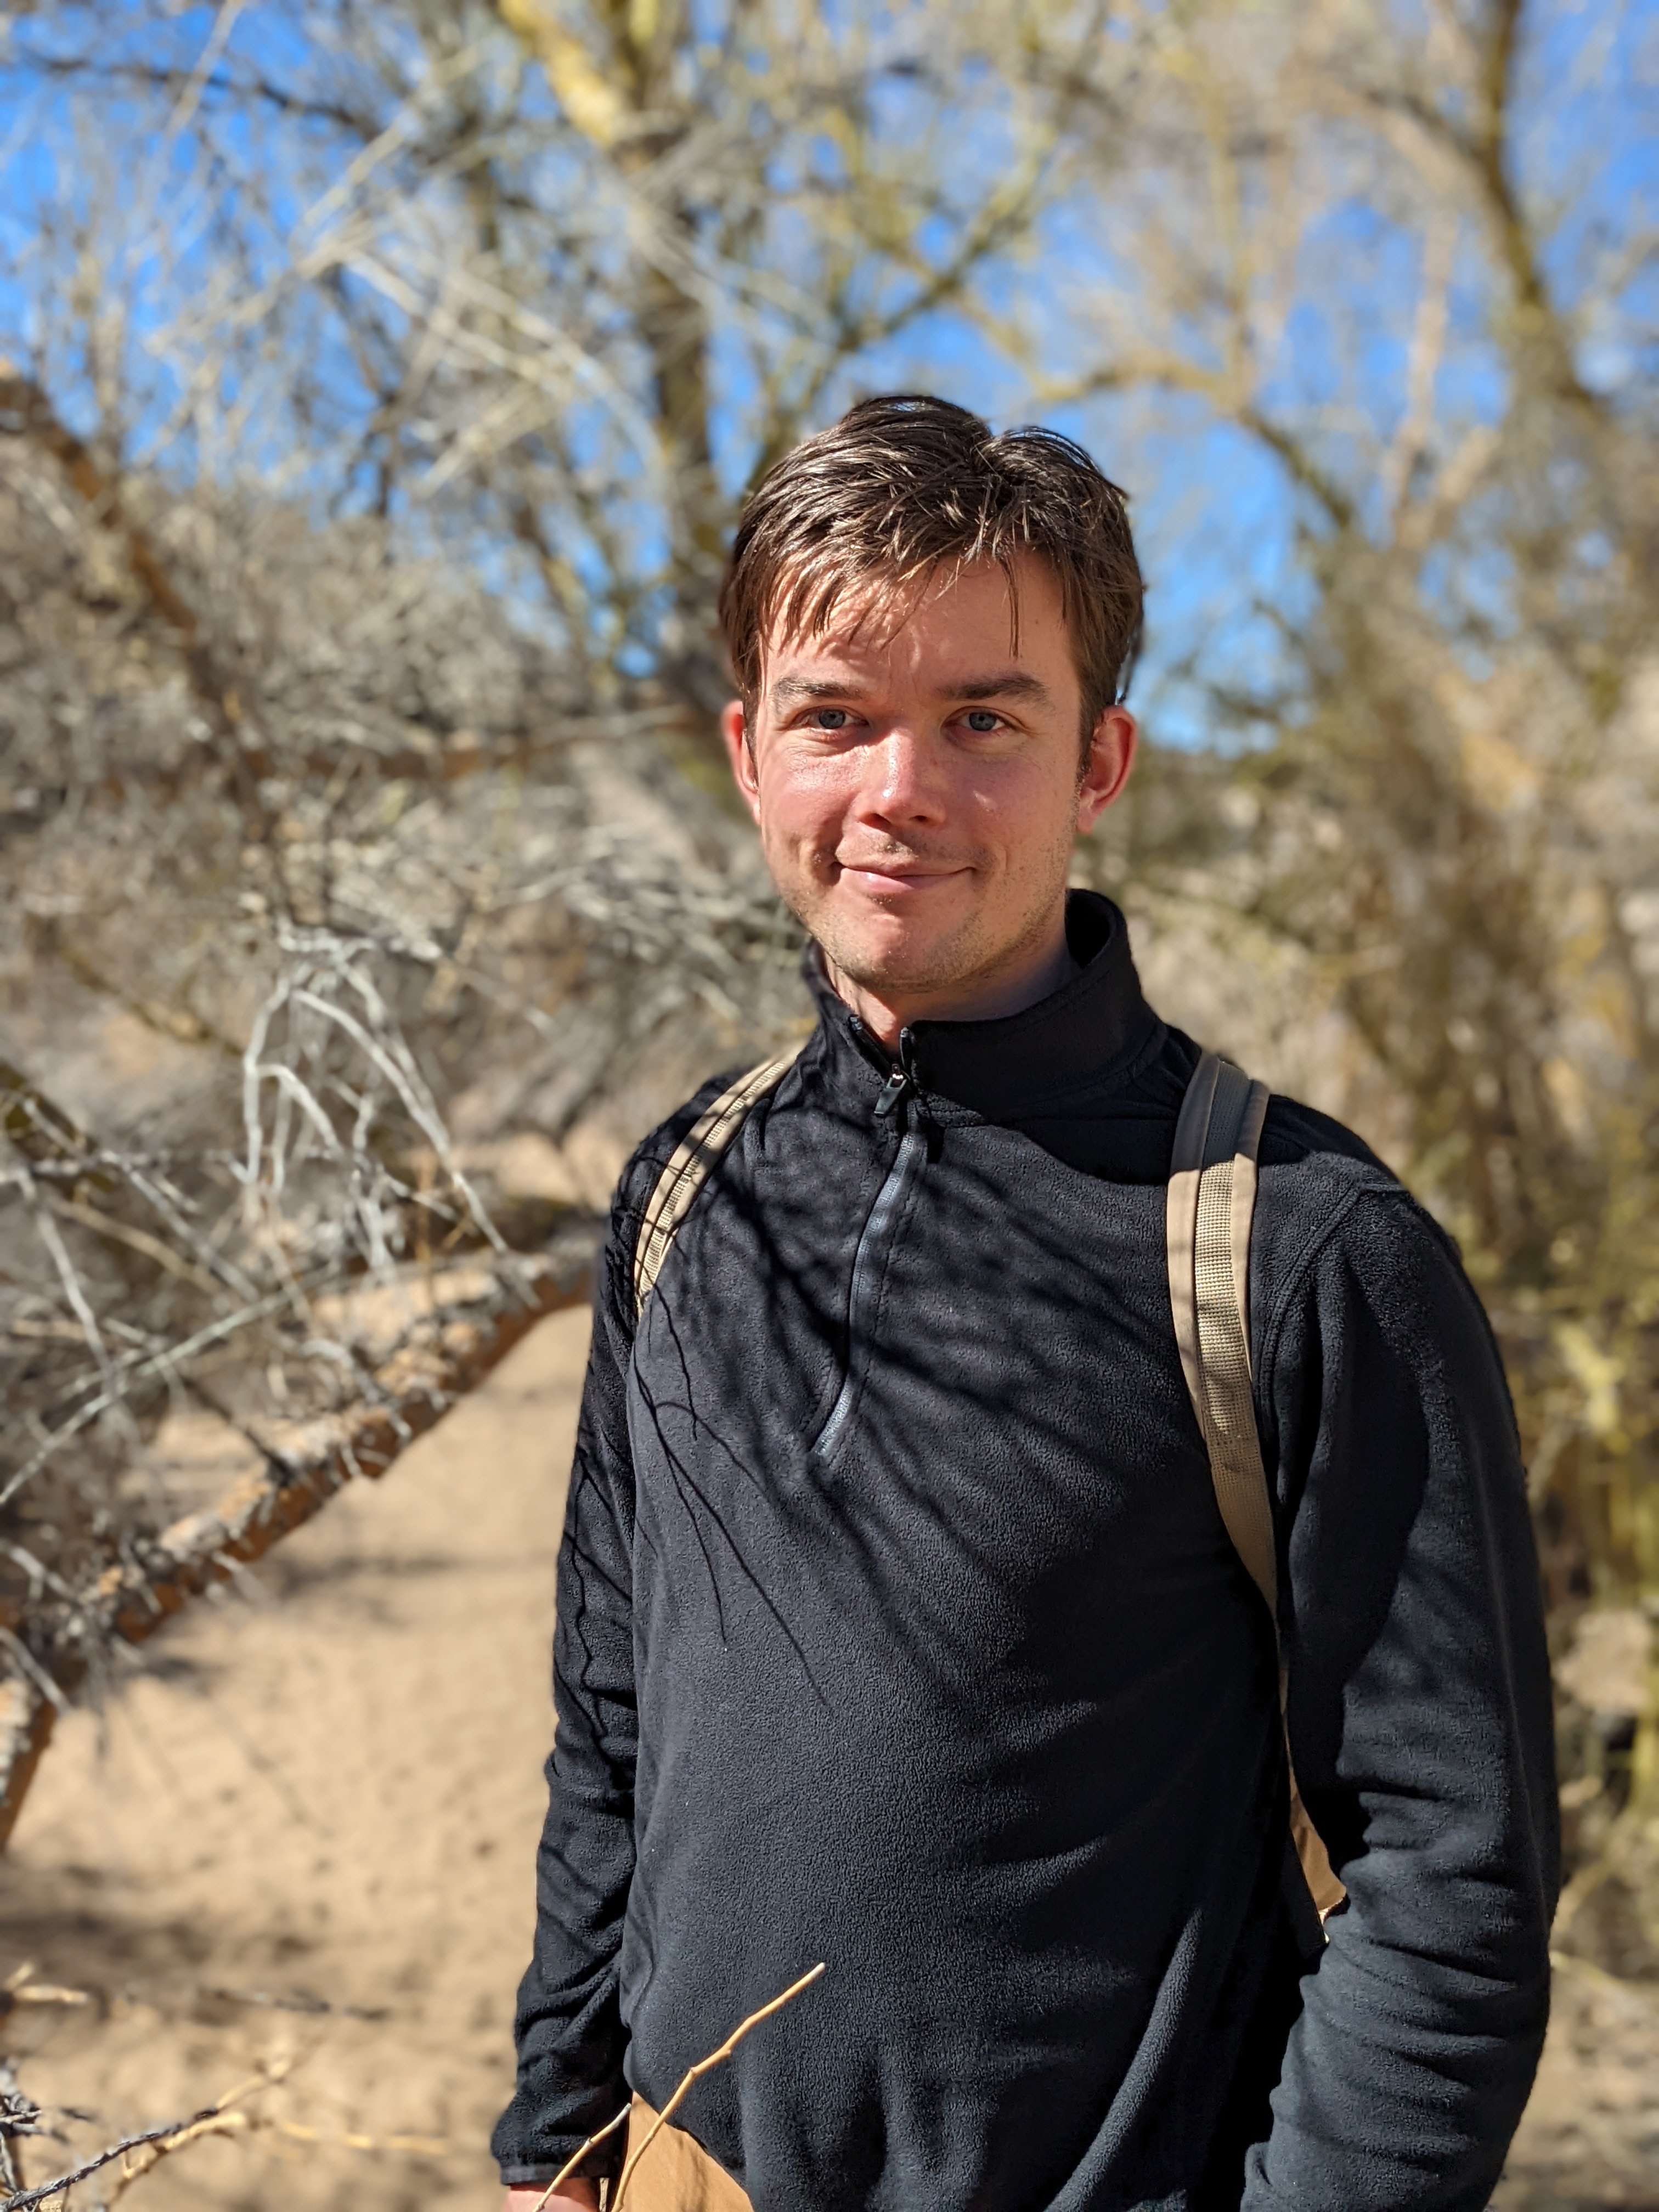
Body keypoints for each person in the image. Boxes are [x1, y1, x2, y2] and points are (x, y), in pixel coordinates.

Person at [493, 396, 1558, 2211]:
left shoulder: (1292, 1242)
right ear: (753, 755)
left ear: (1101, 764)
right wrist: (557, 2135)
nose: (898, 790)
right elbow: (615, 1711)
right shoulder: (685, 1192)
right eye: (837, 717)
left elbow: (1454, 1864)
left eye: (982, 720)